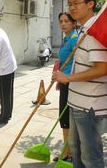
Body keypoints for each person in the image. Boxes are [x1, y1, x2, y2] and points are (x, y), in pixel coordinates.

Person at [52, 0, 107, 168]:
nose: (72, 8)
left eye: (77, 3)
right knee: (75, 149)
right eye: (70, 4)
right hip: (76, 102)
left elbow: (102, 69)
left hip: (89, 107)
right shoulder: (82, 30)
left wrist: (67, 78)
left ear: (90, 3)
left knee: (91, 157)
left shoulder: (95, 32)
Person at [53, 12, 78, 162]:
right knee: (64, 118)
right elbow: (64, 62)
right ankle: (68, 150)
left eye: (66, 21)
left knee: (67, 118)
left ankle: (70, 151)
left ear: (73, 23)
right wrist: (58, 79)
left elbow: (78, 64)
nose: (63, 24)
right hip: (64, 81)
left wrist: (66, 78)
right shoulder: (67, 38)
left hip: (71, 83)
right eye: (61, 21)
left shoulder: (75, 40)